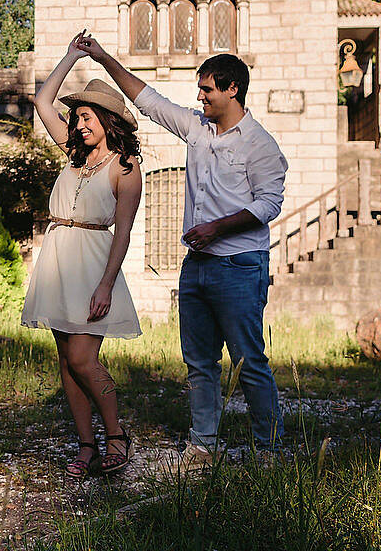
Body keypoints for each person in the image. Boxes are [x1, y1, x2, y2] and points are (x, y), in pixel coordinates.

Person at [78, 37, 286, 467]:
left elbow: (269, 204)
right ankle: (203, 446)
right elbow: (147, 100)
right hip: (196, 267)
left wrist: (217, 228)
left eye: (207, 89)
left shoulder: (260, 144)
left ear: (232, 89)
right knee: (199, 362)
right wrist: (101, 57)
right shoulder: (196, 128)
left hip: (240, 265)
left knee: (249, 360)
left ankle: (268, 450)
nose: (199, 97)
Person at [22, 33, 143, 478]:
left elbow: (123, 231)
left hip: (93, 266)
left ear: (108, 120)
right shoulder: (73, 155)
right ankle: (86, 444)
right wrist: (72, 56)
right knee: (65, 362)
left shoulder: (125, 167)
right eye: (76, 118)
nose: (79, 124)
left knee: (83, 360)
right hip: (57, 263)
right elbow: (42, 101)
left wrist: (106, 285)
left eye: (87, 117)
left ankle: (117, 436)